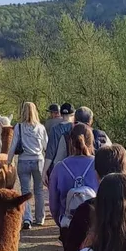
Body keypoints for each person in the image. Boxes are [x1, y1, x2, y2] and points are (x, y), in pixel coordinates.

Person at [48, 123, 98, 241]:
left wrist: (60, 221)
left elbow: (53, 205)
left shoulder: (59, 168)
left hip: (68, 226)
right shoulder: (99, 164)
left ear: (70, 142)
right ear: (91, 141)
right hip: (94, 225)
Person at [8, 101, 49, 230]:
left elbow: (13, 145)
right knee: (38, 191)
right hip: (38, 161)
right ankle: (40, 217)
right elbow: (46, 146)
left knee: (25, 191)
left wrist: (8, 162)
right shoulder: (41, 127)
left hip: (23, 161)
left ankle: (27, 219)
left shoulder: (19, 127)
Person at [44, 102, 76, 182]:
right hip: (73, 167)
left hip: (58, 167)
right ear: (73, 114)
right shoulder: (76, 128)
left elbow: (50, 152)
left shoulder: (55, 129)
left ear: (61, 114)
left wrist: (44, 171)